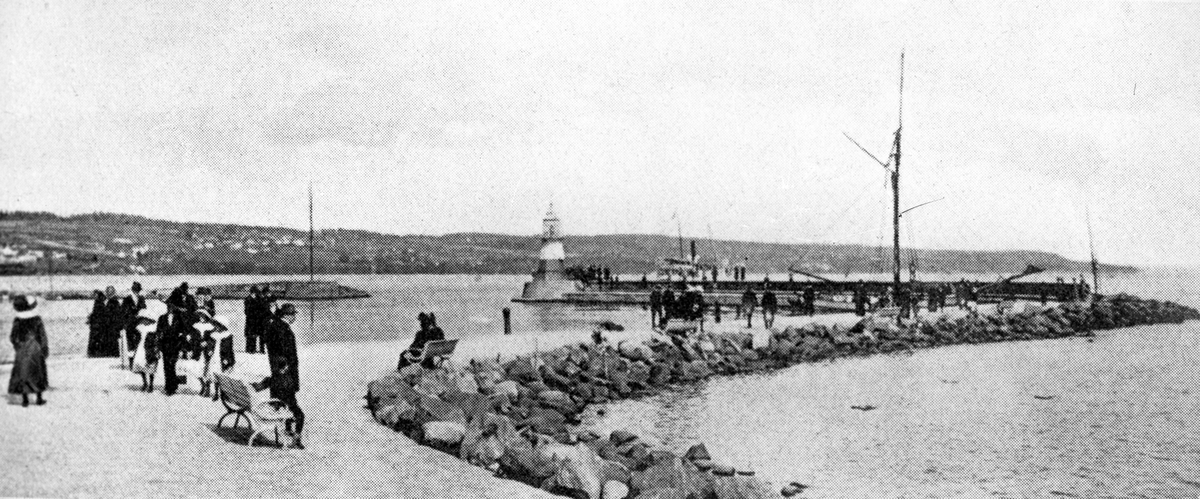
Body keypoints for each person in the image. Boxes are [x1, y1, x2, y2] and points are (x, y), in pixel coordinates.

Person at [265, 303, 304, 449]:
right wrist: (285, 365)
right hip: (285, 378)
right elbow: (285, 350)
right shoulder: (283, 329)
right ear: (288, 315)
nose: (294, 317)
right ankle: (296, 439)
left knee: (284, 405)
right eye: (293, 314)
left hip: (277, 378)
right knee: (297, 413)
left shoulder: (274, 326)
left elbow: (273, 348)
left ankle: (287, 430)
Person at [8, 295, 48, 407]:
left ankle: (25, 400)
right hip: (35, 348)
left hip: (22, 348)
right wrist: (44, 349)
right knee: (38, 372)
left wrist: (18, 345)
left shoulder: (17, 320)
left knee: (23, 373)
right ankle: (39, 398)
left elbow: (13, 337)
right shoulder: (37, 319)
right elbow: (42, 336)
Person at [132, 301, 166, 392]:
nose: (143, 320)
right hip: (140, 347)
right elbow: (135, 337)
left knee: (151, 366)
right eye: (142, 318)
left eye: (145, 318)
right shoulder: (139, 327)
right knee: (140, 364)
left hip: (150, 347)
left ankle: (151, 384)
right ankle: (145, 383)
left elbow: (157, 337)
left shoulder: (153, 327)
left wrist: (156, 347)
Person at [157, 303, 188, 396]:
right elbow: (158, 330)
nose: (170, 309)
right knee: (166, 366)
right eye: (168, 307)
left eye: (172, 307)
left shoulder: (179, 318)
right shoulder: (162, 318)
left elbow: (184, 330)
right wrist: (159, 344)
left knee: (173, 365)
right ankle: (168, 387)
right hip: (165, 345)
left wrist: (181, 341)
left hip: (175, 345)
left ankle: (173, 386)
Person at [121, 282, 147, 369]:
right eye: (135, 290)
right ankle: (131, 363)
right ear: (133, 290)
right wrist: (125, 323)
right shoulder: (127, 299)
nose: (137, 292)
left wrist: (140, 314)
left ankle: (137, 362)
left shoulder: (141, 299)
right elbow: (123, 312)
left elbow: (144, 309)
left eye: (138, 290)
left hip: (139, 325)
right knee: (130, 344)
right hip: (130, 325)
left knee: (139, 343)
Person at [86, 290, 107, 357]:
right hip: (97, 325)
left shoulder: (98, 303)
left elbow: (97, 314)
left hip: (97, 325)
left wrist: (90, 318)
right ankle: (96, 353)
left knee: (94, 340)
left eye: (95, 295)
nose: (94, 296)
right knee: (97, 340)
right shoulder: (100, 303)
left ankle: (93, 353)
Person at [244, 286, 262, 353]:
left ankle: (253, 348)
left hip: (256, 319)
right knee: (250, 335)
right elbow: (246, 311)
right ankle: (249, 349)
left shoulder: (258, 299)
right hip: (250, 319)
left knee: (254, 334)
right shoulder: (248, 299)